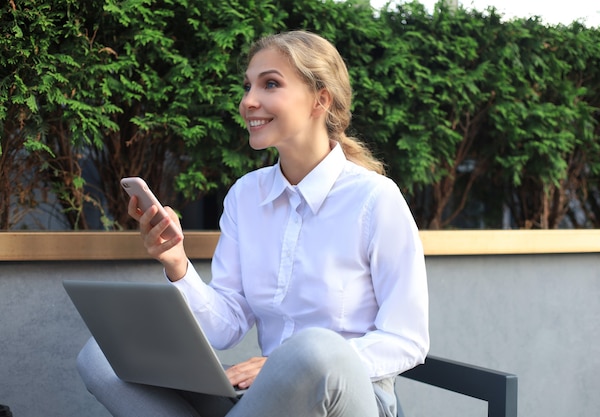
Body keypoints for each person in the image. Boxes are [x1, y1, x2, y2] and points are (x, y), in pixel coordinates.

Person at [76, 30, 429, 417]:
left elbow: (406, 338)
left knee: (316, 350)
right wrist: (176, 263)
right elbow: (225, 328)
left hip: (352, 397)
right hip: (264, 396)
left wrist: (288, 365)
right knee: (104, 354)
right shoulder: (246, 196)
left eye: (270, 84)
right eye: (247, 86)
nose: (248, 101)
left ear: (320, 99)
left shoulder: (375, 199)